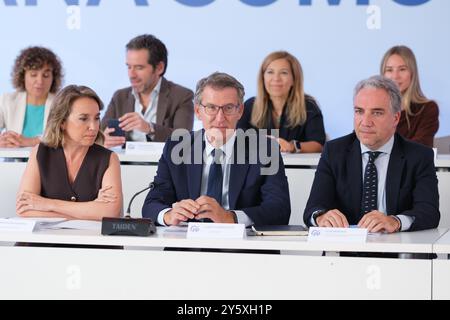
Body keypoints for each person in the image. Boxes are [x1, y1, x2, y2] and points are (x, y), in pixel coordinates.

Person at [142, 72, 290, 226]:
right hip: (189, 244)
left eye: (228, 108)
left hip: (243, 245)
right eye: (211, 108)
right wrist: (168, 215)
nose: (220, 118)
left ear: (240, 111)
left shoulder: (265, 150)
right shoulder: (177, 147)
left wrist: (230, 218)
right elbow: (152, 204)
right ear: (198, 111)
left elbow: (280, 210)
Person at [304, 75, 439, 233]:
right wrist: (321, 216)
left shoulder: (419, 156)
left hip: (400, 252)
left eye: (377, 113)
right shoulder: (334, 152)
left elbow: (429, 213)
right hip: (346, 252)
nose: (366, 122)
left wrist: (395, 221)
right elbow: (312, 209)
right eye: (359, 111)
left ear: (395, 118)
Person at [16, 85, 122, 220]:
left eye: (96, 118)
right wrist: (90, 210)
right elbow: (23, 209)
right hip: (44, 239)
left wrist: (46, 204)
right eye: (84, 118)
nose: (94, 127)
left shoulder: (108, 158)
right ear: (62, 122)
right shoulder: (40, 153)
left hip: (89, 240)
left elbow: (110, 212)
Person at [101, 34, 194, 147]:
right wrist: (103, 139)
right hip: (124, 164)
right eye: (129, 67)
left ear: (159, 68)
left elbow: (183, 139)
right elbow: (100, 132)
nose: (131, 75)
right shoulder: (120, 96)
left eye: (139, 67)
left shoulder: (182, 96)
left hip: (163, 163)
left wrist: (150, 128)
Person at [237, 51, 325, 153]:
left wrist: (292, 146)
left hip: (297, 168)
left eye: (284, 73)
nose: (276, 78)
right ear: (263, 77)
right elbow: (238, 138)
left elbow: (318, 144)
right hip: (260, 167)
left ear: (294, 79)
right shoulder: (250, 106)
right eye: (270, 72)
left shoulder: (309, 106)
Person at [0, 46, 63, 148]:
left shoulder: (61, 103)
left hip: (49, 163)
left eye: (46, 75)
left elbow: (67, 136)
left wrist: (33, 141)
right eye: (33, 74)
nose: (40, 81)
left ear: (53, 77)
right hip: (13, 163)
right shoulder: (7, 100)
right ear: (22, 76)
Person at [381, 45, 439, 147]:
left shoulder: (428, 109)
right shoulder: (375, 109)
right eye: (389, 70)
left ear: (413, 73)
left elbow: (419, 149)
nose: (395, 76)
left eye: (402, 69)